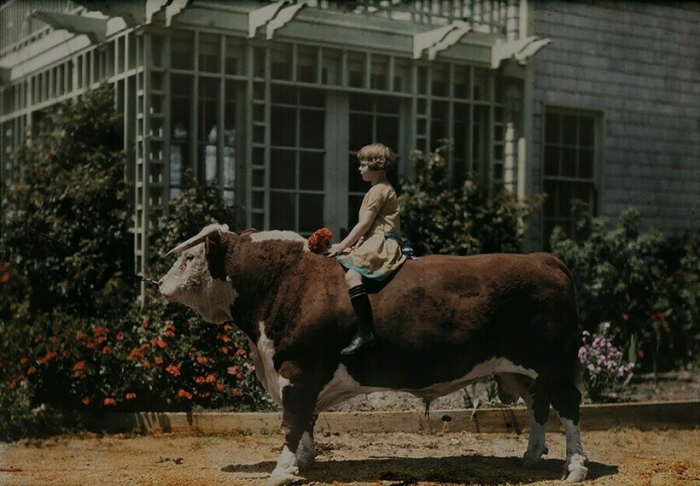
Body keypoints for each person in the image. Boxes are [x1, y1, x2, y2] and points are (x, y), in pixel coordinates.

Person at [327, 143, 408, 355]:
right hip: (372, 239)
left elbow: (364, 224)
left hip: (381, 242)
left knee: (353, 275)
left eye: (364, 164)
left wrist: (343, 245)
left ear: (377, 166)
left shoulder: (378, 190)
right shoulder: (380, 189)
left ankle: (365, 332)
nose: (360, 169)